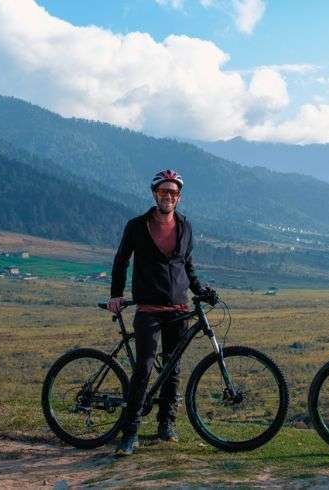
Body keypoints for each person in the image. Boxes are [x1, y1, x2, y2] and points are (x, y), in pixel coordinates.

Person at [107, 169, 214, 457]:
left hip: (178, 307)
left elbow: (186, 264)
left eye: (174, 192)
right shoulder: (137, 225)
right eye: (164, 191)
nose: (169, 196)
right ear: (155, 194)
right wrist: (115, 295)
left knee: (173, 368)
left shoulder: (185, 225)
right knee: (143, 368)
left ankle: (166, 424)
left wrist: (200, 290)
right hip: (149, 309)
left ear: (179, 197)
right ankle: (130, 433)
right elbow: (121, 262)